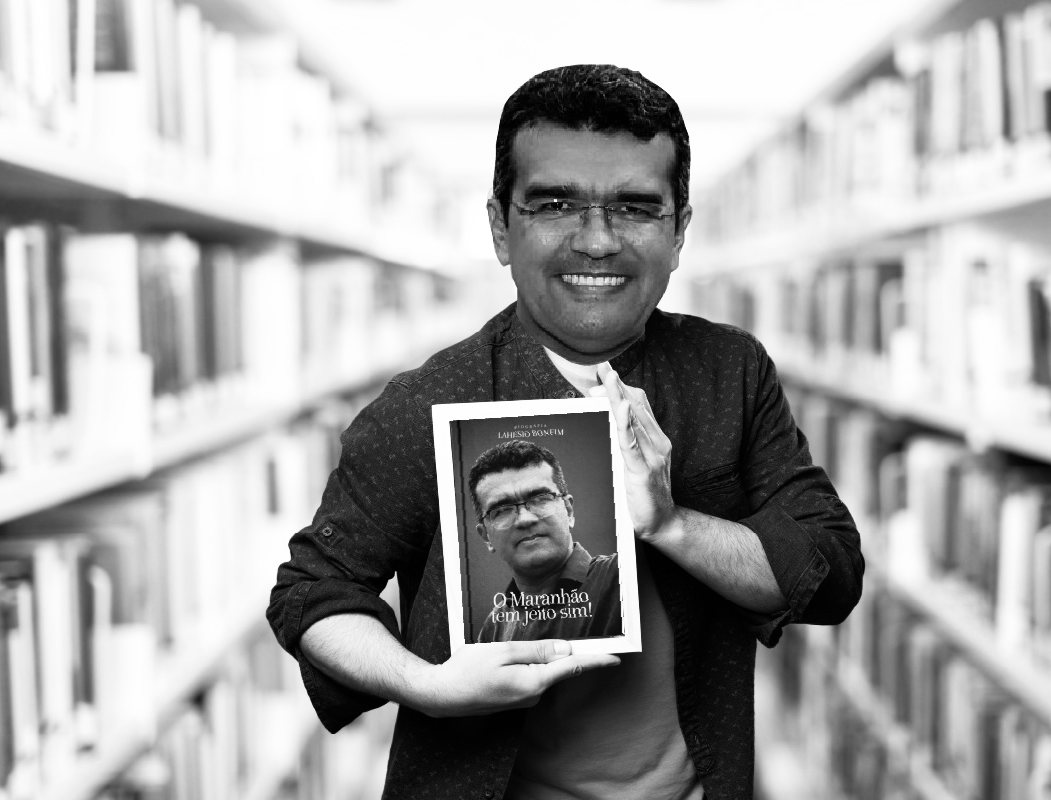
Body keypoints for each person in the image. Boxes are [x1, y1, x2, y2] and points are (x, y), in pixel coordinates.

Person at [267, 63, 863, 799]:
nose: (598, 241)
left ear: (680, 230)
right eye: (555, 204)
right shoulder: (427, 402)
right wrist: (429, 686)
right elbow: (313, 591)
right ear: (500, 228)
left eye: (636, 208)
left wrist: (673, 525)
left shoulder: (728, 371)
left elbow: (829, 571)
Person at [468, 439, 623, 643]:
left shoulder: (623, 576)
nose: (525, 519)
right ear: (486, 537)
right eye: (502, 510)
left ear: (569, 511)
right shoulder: (493, 629)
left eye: (540, 499)